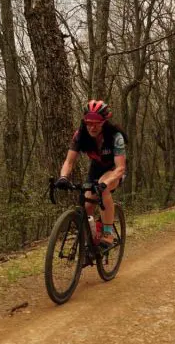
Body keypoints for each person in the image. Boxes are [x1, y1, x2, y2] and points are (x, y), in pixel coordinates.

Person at [55, 100, 127, 246]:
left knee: (103, 188)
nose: (92, 127)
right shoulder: (80, 135)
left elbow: (120, 168)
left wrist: (104, 183)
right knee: (87, 203)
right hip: (96, 168)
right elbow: (69, 161)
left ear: (105, 121)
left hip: (114, 169)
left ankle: (108, 233)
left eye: (97, 123)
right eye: (89, 122)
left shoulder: (115, 136)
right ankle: (92, 238)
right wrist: (63, 177)